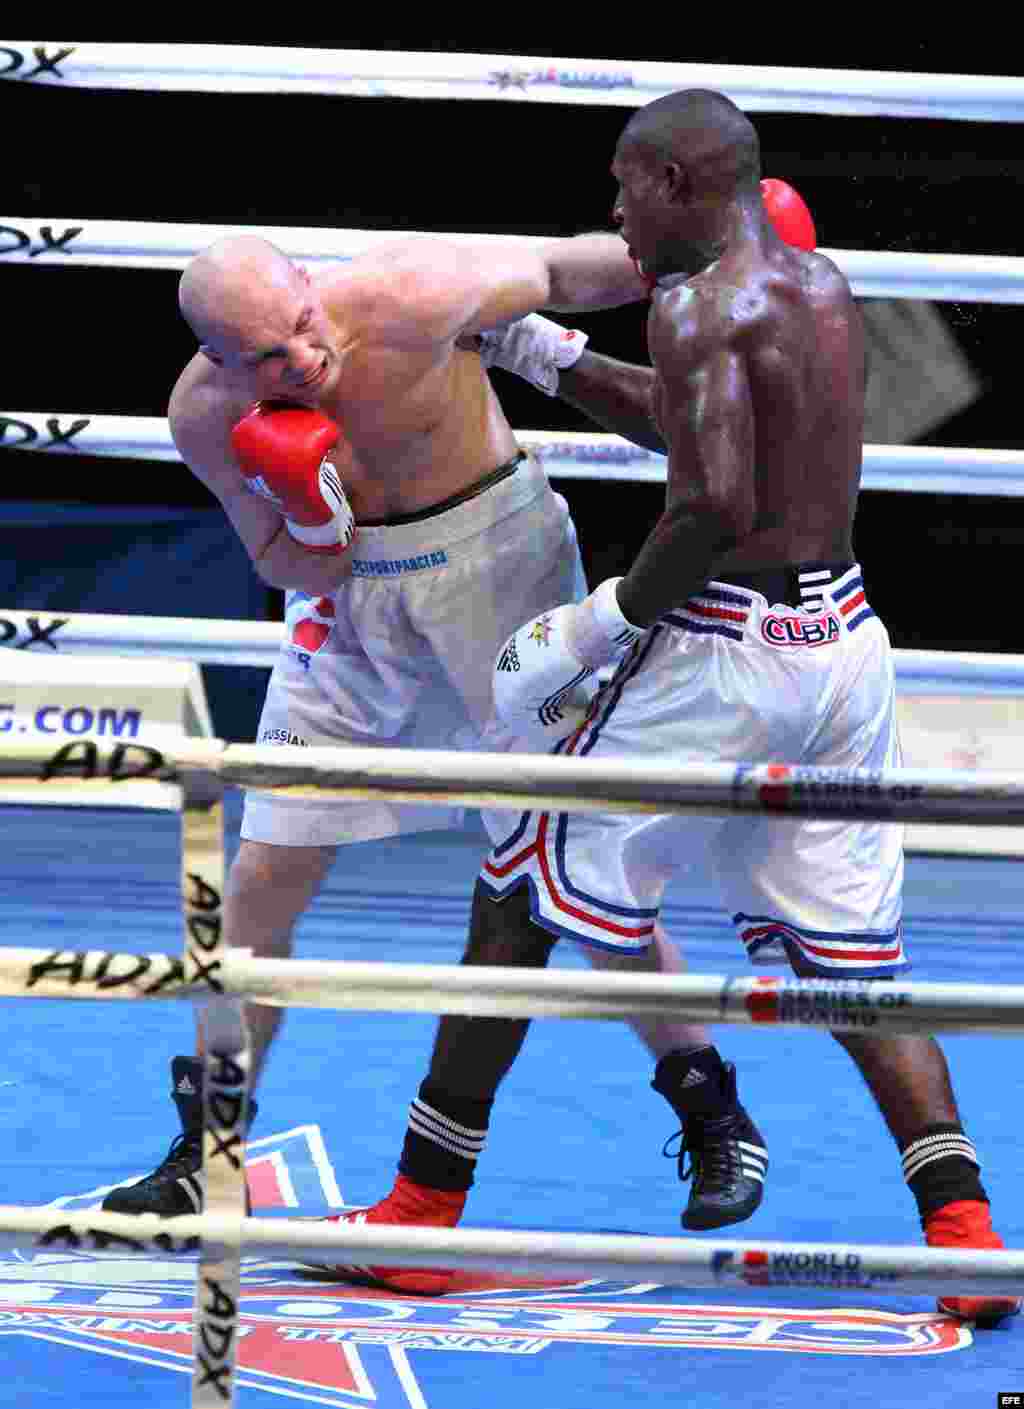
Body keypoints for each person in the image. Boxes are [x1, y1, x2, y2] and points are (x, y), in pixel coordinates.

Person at [317, 89, 1019, 1325]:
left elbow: (709, 505)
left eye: (627, 185)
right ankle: (962, 1226)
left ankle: (419, 1216)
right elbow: (705, 432)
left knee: (521, 879)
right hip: (843, 646)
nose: (614, 212)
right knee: (852, 957)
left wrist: (599, 626)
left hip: (725, 656)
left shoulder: (691, 306)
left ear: (683, 182)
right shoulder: (821, 289)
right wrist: (555, 357)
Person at [101, 225, 765, 1233]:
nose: (303, 359)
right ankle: (205, 1149)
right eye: (270, 356)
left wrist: (690, 253)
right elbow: (284, 563)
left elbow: (561, 271)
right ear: (225, 362)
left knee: (571, 864)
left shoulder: (409, 295)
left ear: (309, 287)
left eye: (303, 324)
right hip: (351, 605)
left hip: (497, 570)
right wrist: (314, 521)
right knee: (259, 879)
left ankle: (714, 1110)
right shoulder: (205, 413)